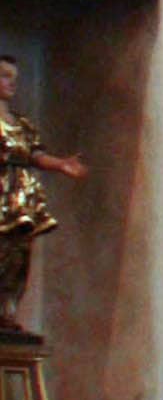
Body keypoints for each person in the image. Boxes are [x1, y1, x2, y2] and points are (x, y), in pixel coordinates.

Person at [0, 53, 84, 340]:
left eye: (15, 78)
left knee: (19, 256)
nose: (12, 84)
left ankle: (7, 312)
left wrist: (61, 164)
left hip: (20, 201)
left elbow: (35, 155)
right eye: (5, 76)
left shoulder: (21, 124)